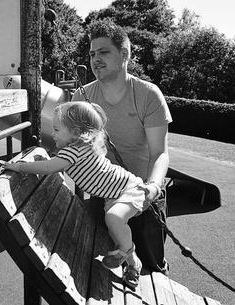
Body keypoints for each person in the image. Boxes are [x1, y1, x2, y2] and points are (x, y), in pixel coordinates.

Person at [2, 101, 153, 288]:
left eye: (57, 130)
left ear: (77, 132)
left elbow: (48, 167)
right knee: (116, 229)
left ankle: (124, 252)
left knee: (114, 220)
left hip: (128, 189)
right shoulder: (75, 149)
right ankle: (133, 263)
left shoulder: (74, 151)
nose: (53, 133)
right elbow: (55, 162)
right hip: (114, 195)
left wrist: (18, 167)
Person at [71, 19, 172, 275]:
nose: (95, 59)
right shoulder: (81, 98)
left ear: (124, 54)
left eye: (104, 52)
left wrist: (153, 188)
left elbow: (160, 153)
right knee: (96, 272)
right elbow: (76, 150)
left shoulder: (149, 95)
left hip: (146, 195)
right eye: (92, 54)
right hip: (103, 193)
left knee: (153, 270)